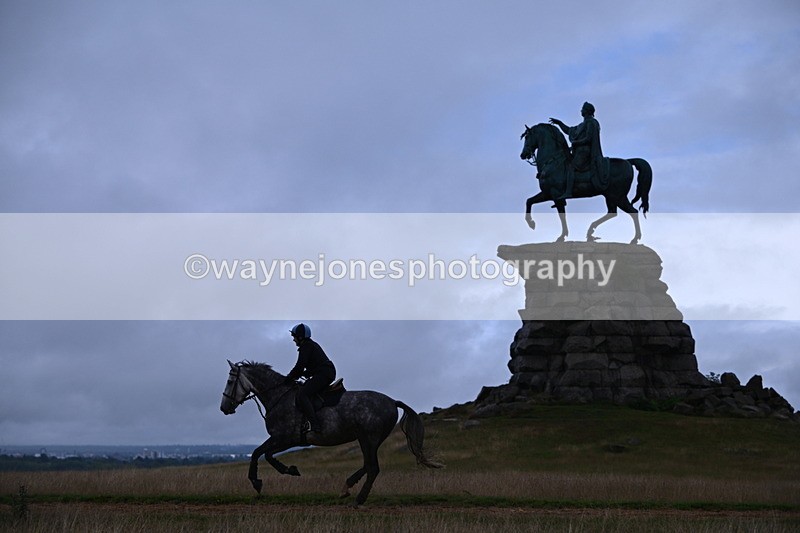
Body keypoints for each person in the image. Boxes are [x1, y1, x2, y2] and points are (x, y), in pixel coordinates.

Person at [284, 323, 336, 434]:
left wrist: (289, 377)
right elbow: (310, 366)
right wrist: (305, 373)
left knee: (302, 394)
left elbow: (300, 366)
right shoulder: (310, 345)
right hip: (325, 372)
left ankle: (315, 424)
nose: (293, 340)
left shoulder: (306, 347)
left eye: (294, 337)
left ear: (300, 337)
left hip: (324, 373)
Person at [549, 102, 607, 197]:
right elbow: (569, 130)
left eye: (583, 109)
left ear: (587, 111)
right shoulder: (582, 124)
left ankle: (568, 192)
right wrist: (559, 123)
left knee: (571, 167)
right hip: (579, 152)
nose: (581, 110)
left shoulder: (592, 122)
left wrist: (576, 143)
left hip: (585, 152)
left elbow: (588, 138)